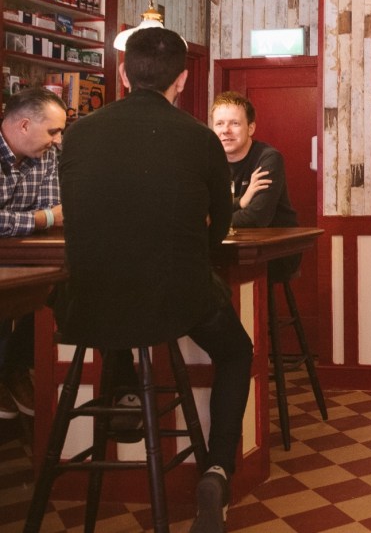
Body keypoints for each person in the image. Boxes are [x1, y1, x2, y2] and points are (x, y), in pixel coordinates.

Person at [56, 28, 253, 533]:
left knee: (122, 307)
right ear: (183, 80)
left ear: (122, 74)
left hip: (90, 302)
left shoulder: (77, 134)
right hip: (178, 296)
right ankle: (217, 469)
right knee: (235, 351)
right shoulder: (199, 137)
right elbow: (221, 222)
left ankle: (122, 388)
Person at [0, 87, 66, 419]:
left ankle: (13, 368)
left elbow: (54, 211)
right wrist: (39, 219)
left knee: (48, 289)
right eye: (53, 131)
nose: (57, 140)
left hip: (27, 258)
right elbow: (48, 215)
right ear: (24, 125)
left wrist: (39, 218)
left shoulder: (48, 155)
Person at [210, 91, 300, 281]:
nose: (225, 130)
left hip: (273, 254)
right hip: (225, 248)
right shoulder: (210, 160)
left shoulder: (268, 158)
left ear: (250, 128)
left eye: (234, 123)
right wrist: (241, 202)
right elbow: (205, 207)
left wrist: (211, 222)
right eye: (219, 123)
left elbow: (257, 217)